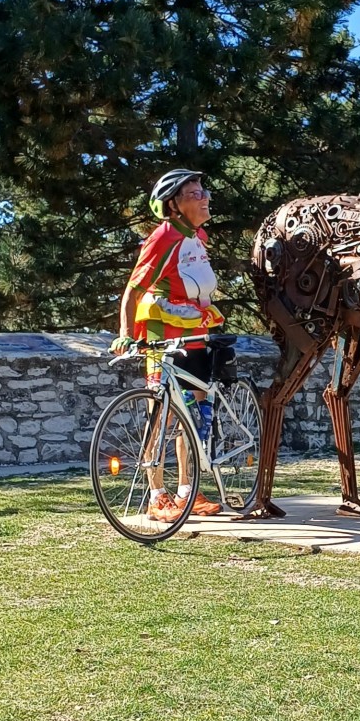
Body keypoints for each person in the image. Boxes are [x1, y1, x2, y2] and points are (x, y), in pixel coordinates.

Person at [114, 169, 226, 521]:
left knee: (192, 412)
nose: (204, 197)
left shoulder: (198, 236)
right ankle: (157, 494)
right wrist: (125, 332)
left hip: (196, 329)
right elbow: (134, 288)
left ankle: (187, 491)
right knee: (160, 411)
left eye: (203, 190)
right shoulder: (163, 236)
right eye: (194, 194)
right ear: (174, 205)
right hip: (163, 331)